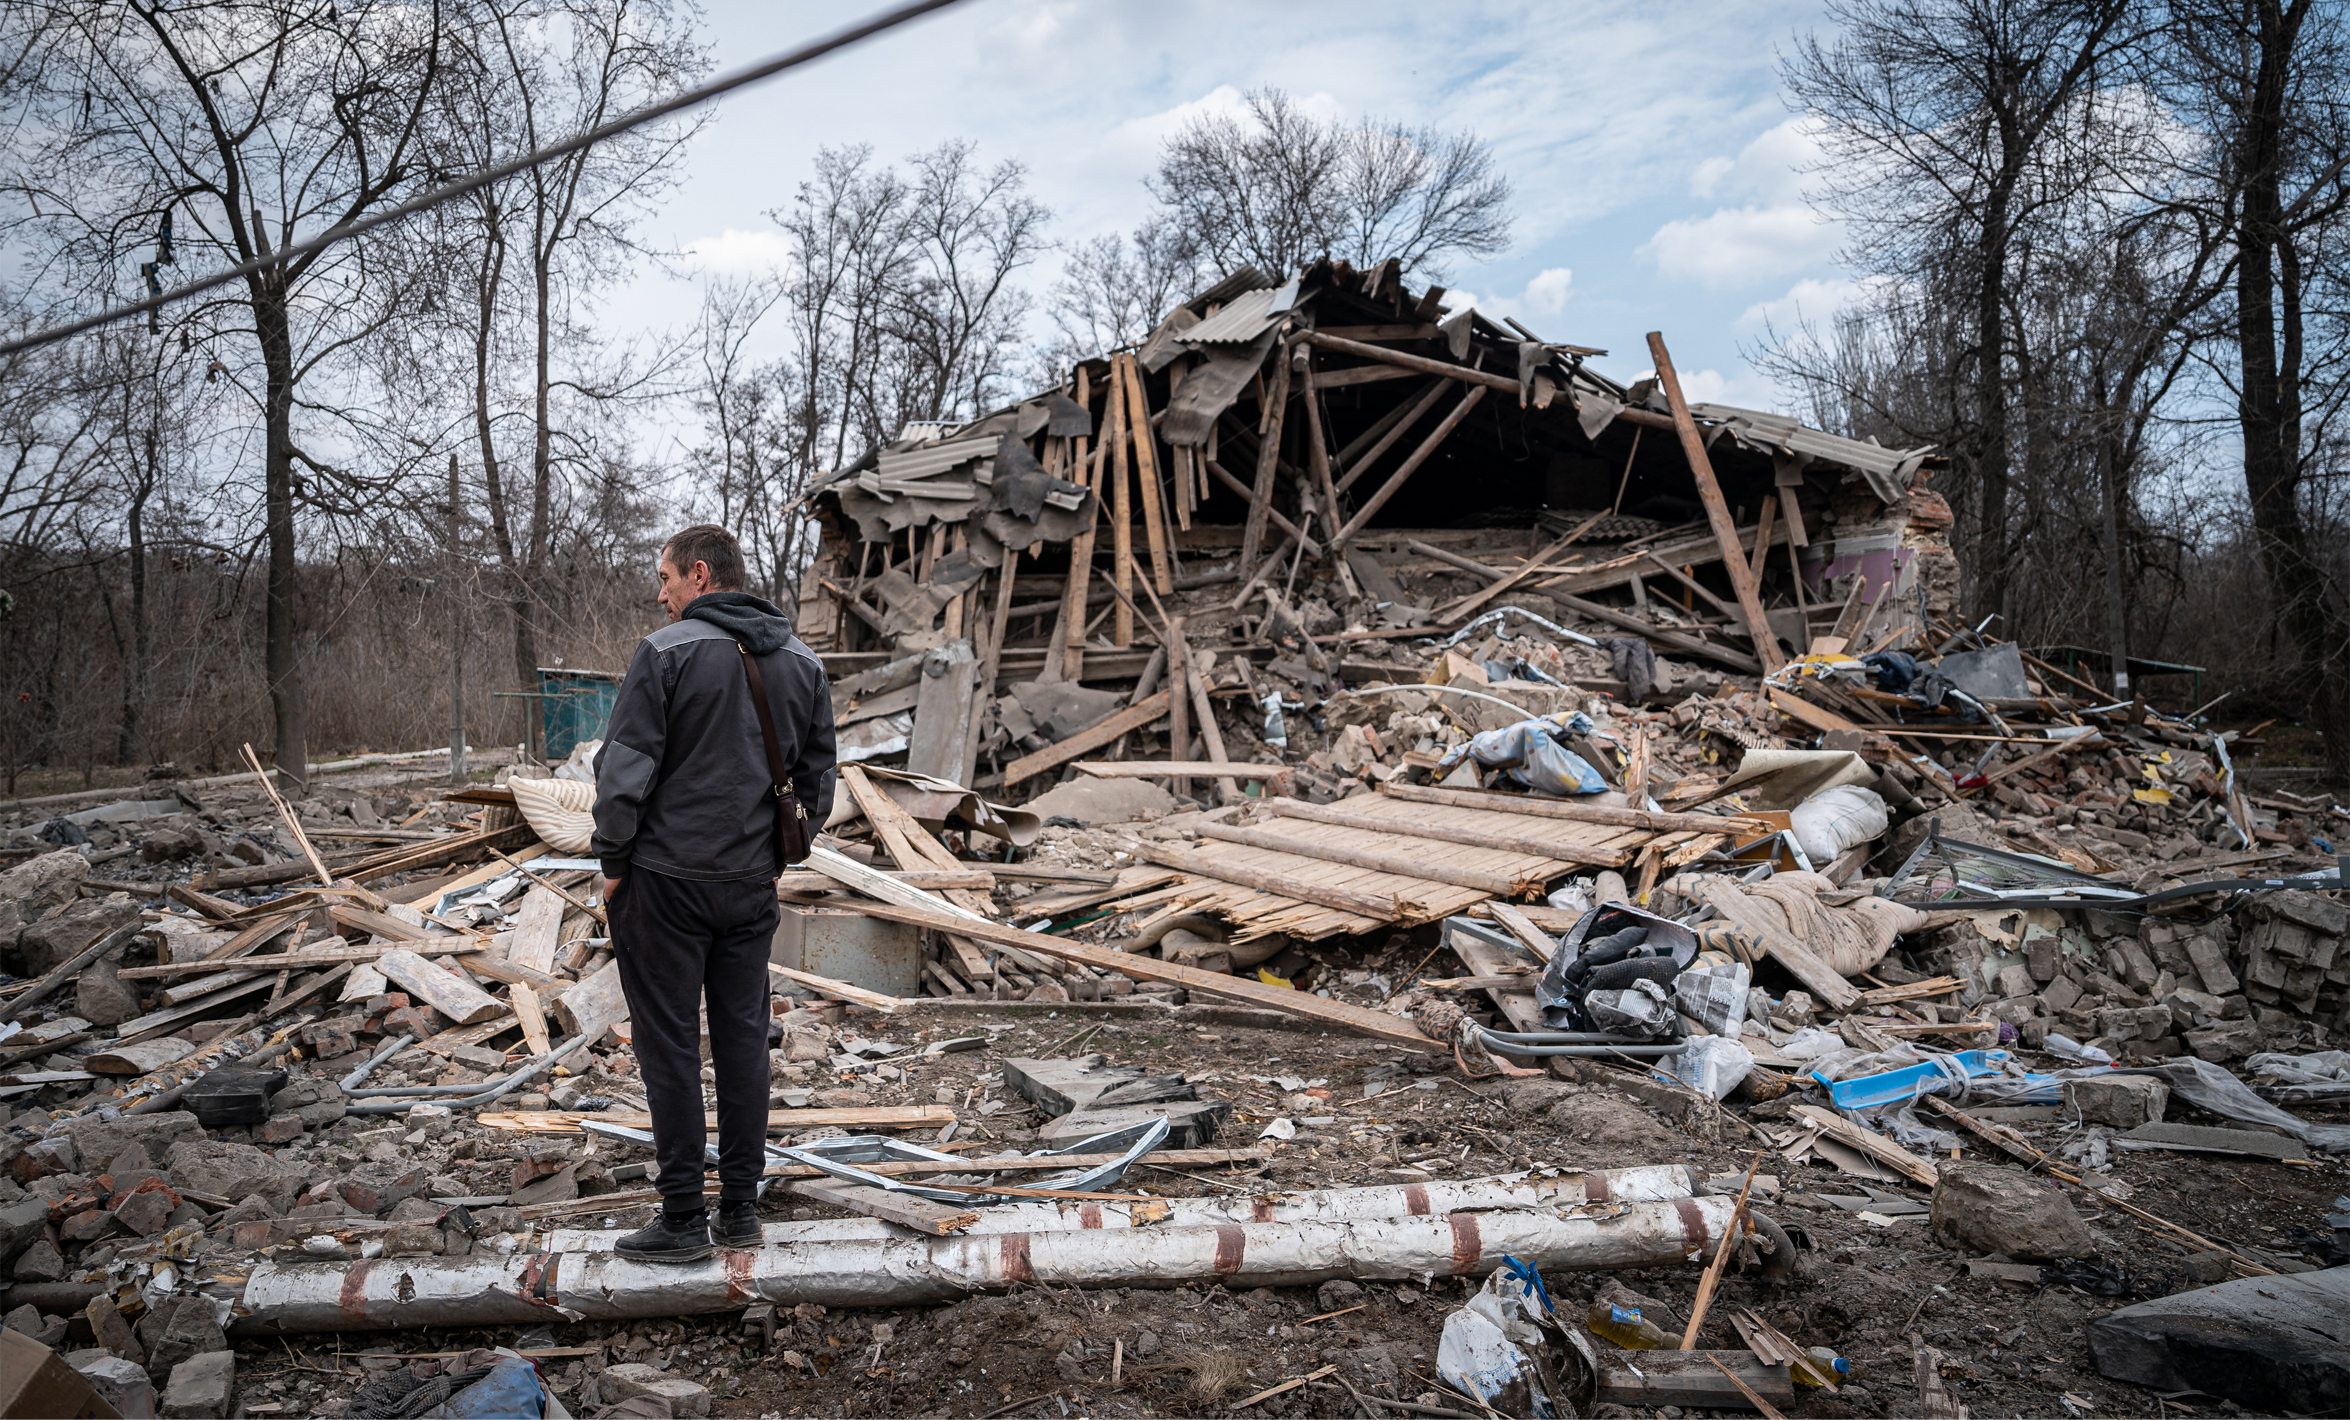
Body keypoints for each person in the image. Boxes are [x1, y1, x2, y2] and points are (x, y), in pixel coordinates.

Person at [591, 524, 835, 1262]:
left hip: (664, 884)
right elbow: (819, 781)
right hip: (749, 886)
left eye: (665, 576)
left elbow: (624, 769)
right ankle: (740, 1212)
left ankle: (680, 1219)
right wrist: (774, 857)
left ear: (700, 575)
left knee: (667, 1046)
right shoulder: (802, 662)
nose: (660, 593)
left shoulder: (664, 653)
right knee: (741, 1044)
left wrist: (612, 858)